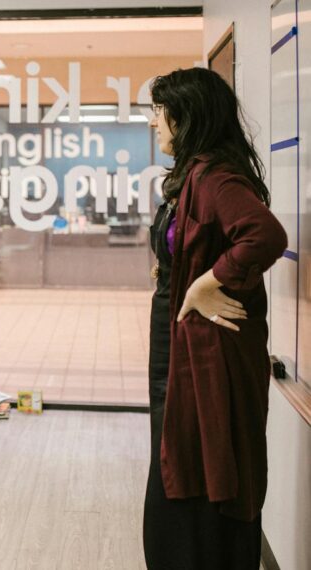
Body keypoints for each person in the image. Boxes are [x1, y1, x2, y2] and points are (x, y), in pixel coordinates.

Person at [144, 67, 287, 569]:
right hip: (184, 342)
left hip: (210, 354)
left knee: (203, 469)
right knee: (180, 460)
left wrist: (208, 282)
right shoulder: (194, 177)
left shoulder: (213, 176)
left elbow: (265, 236)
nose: (154, 124)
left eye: (160, 114)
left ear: (186, 119)